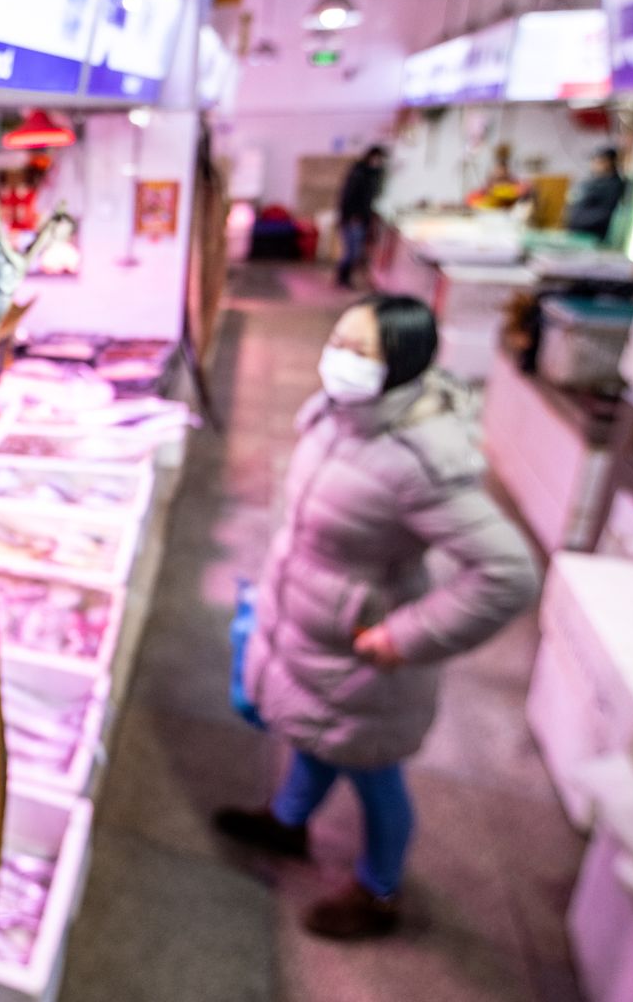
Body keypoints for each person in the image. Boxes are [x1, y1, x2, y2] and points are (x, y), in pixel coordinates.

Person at [214, 296, 540, 940]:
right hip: (311, 625)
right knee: (317, 735)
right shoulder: (333, 417)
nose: (340, 359)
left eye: (362, 351)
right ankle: (288, 821)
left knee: (373, 773)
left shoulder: (422, 462)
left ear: (402, 365)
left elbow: (508, 573)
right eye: (339, 340)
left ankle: (379, 891)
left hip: (361, 653)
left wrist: (406, 636)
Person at [336, 145, 388, 289]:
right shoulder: (359, 174)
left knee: (354, 251)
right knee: (352, 252)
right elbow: (349, 197)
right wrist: (352, 215)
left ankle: (343, 278)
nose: (380, 162)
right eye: (379, 159)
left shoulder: (371, 174)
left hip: (360, 218)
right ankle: (342, 279)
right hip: (354, 218)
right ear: (372, 157)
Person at [564, 146, 628, 243]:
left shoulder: (614, 186)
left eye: (599, 161)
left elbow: (606, 213)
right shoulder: (593, 182)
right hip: (578, 233)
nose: (594, 164)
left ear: (609, 163)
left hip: (595, 237)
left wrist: (580, 221)